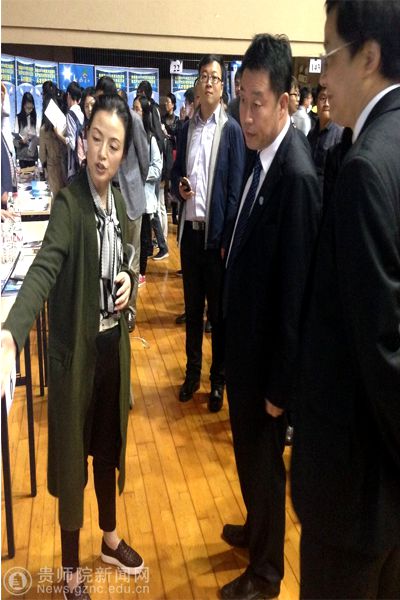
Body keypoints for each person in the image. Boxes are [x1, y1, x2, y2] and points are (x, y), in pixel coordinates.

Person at [0, 94, 144, 600]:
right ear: (83, 142)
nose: (103, 153)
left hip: (111, 352)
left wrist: (128, 280)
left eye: (114, 145)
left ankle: (109, 538)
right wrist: (12, 333)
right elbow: (44, 268)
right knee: (72, 465)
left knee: (106, 449)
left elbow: (125, 261)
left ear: (123, 153)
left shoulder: (117, 203)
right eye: (96, 139)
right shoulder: (70, 204)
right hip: (76, 359)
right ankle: (69, 573)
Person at [291, 1, 400, 598]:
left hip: (354, 489)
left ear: (369, 57)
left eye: (329, 55)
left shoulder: (366, 168)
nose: (322, 75)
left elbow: (381, 348)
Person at [220, 34, 321, 600]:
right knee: (248, 458)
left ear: (284, 102)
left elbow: (296, 295)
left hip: (267, 368)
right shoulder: (262, 157)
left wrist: (282, 387)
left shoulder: (296, 176)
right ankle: (256, 529)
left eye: (257, 102)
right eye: (242, 99)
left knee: (263, 464)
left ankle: (266, 572)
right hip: (246, 352)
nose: (246, 114)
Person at [172, 54, 245, 412]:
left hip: (215, 241)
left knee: (218, 316)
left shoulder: (230, 130)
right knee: (192, 310)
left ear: (222, 85)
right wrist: (179, 187)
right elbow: (174, 174)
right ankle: (192, 375)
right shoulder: (186, 129)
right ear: (198, 84)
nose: (209, 82)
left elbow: (235, 192)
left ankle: (218, 381)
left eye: (215, 77)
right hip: (190, 233)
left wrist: (226, 240)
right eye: (204, 76)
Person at [118, 92, 149, 331]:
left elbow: (145, 158)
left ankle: (130, 310)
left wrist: (136, 182)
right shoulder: (104, 119)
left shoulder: (134, 120)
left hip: (131, 198)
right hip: (109, 198)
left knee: (132, 257)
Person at [134, 95, 166, 285]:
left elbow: (157, 167)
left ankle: (142, 272)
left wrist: (141, 175)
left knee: (144, 237)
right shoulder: (130, 136)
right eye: (133, 108)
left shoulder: (151, 138)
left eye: (137, 109)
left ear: (145, 113)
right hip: (131, 195)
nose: (134, 112)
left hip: (145, 196)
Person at [307, 84, 343, 194]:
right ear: (316, 102)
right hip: (309, 192)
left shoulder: (339, 134)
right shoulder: (311, 133)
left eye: (330, 99)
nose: (327, 104)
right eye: (323, 98)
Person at [39, 91, 68, 201]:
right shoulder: (64, 124)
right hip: (66, 165)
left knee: (57, 198)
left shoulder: (43, 130)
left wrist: (44, 167)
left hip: (52, 168)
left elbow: (42, 154)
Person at [55, 81, 84, 183]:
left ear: (68, 95)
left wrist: (59, 135)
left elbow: (72, 143)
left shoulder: (70, 114)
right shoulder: (82, 113)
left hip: (74, 164)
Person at [14, 91, 39, 168]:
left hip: (32, 155)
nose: (30, 110)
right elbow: (15, 136)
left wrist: (34, 137)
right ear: (23, 105)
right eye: (28, 108)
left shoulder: (35, 118)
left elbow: (38, 135)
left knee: (33, 175)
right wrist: (21, 140)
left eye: (31, 108)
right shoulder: (18, 118)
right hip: (22, 155)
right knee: (23, 175)